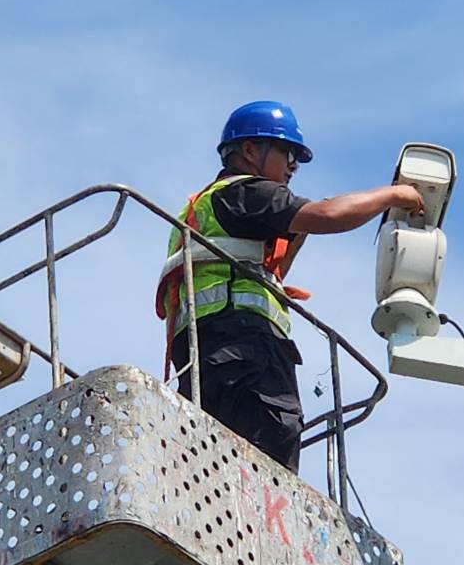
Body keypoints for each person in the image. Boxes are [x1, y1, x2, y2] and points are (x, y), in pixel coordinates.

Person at [155, 100, 424, 472]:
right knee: (267, 449)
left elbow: (262, 266)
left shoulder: (204, 207)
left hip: (204, 355)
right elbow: (328, 215)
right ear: (250, 150)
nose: (294, 165)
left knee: (214, 459)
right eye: (287, 152)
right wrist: (396, 196)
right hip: (243, 347)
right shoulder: (247, 193)